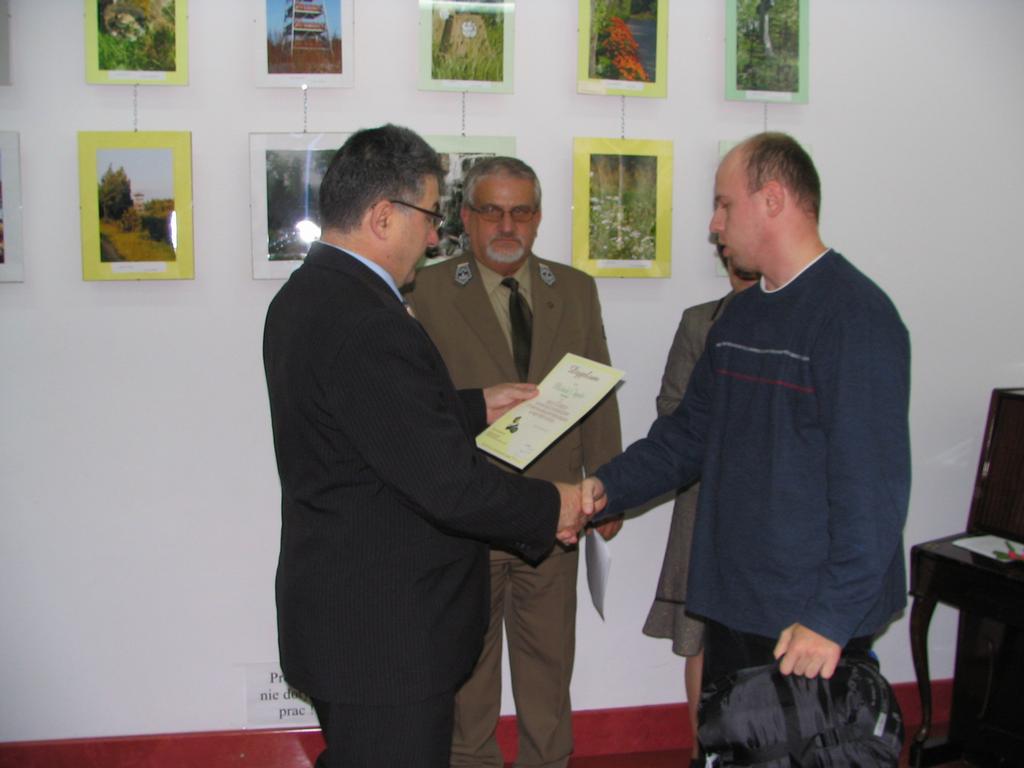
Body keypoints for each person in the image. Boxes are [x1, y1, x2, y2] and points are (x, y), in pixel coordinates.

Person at [262, 125, 591, 768]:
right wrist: (553, 505)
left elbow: (368, 426)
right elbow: (448, 486)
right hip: (384, 636)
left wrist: (472, 405)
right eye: (431, 216)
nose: (436, 237)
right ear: (384, 216)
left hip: (348, 615)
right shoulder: (367, 321)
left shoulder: (308, 294)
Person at [583, 132, 910, 725]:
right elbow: (688, 435)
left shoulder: (855, 317)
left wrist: (830, 618)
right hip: (735, 602)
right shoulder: (741, 317)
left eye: (724, 204)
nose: (714, 225)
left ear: (773, 199)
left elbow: (873, 492)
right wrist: (605, 488)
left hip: (807, 620)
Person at [408, 156, 623, 768]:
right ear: (465, 217)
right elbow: (418, 408)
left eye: (521, 212)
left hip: (555, 516)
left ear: (538, 217)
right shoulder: (425, 291)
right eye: (492, 211)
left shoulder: (574, 289)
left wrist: (610, 486)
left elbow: (598, 392)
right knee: (467, 680)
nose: (508, 226)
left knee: (549, 674)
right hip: (467, 519)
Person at [642, 250, 758, 766]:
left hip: (765, 508)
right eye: (735, 266)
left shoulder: (795, 322)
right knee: (700, 637)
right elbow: (670, 409)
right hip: (704, 499)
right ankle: (700, 750)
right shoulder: (698, 322)